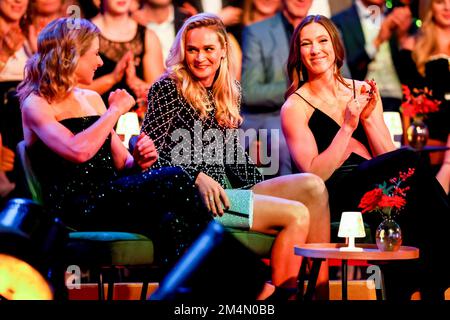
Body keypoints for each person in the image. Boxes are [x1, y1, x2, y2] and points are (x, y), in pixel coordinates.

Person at [142, 13, 330, 300]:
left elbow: (236, 159)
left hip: (233, 191)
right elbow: (150, 160)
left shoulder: (229, 91)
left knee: (313, 186)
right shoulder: (168, 88)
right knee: (296, 214)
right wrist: (194, 177)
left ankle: (319, 292)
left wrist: (263, 186)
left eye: (208, 49)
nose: (200, 57)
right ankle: (281, 297)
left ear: (222, 52)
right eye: (192, 50)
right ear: (183, 51)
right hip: (201, 199)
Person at [16, 17, 213, 269]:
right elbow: (78, 150)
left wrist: (140, 159)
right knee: (174, 177)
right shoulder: (37, 103)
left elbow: (123, 163)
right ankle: (238, 275)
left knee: (172, 221)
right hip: (77, 206)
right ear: (72, 56)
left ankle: (187, 292)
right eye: (95, 54)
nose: (100, 62)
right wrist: (114, 111)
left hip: (111, 196)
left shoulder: (91, 98)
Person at [281, 14, 450, 300]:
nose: (315, 49)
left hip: (379, 179)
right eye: (306, 44)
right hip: (339, 191)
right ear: (298, 54)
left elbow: (388, 155)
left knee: (408, 173)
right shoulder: (295, 107)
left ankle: (420, 282)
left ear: (335, 46)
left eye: (322, 41)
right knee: (410, 163)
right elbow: (314, 175)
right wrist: (348, 126)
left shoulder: (361, 89)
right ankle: (433, 277)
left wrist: (369, 119)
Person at [397, 0, 450, 191]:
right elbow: (411, 100)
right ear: (429, 6)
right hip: (431, 128)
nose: (447, 7)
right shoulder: (412, 46)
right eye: (440, 2)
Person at [331, 0, 413, 112]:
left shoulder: (398, 15)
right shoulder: (339, 22)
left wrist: (402, 37)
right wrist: (378, 41)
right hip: (362, 102)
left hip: (399, 100)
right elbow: (346, 71)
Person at [88, 0, 165, 110]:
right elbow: (72, 92)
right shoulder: (84, 33)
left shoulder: (148, 36)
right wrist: (112, 78)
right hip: (96, 120)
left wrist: (134, 81)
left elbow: (160, 95)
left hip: (137, 121)